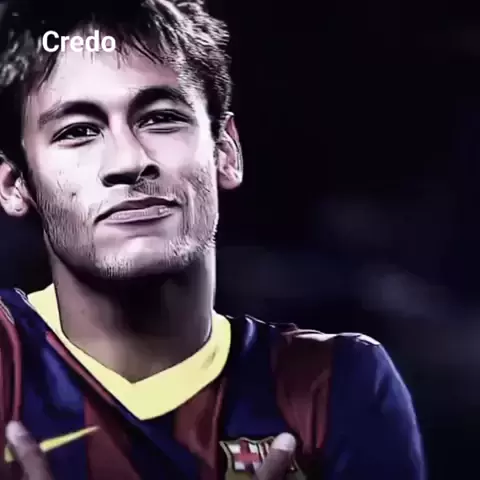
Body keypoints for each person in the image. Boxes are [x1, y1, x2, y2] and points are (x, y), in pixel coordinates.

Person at [0, 0, 425, 478]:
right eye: (78, 131)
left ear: (227, 152)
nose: (128, 161)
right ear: (14, 185)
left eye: (160, 118)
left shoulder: (338, 384)